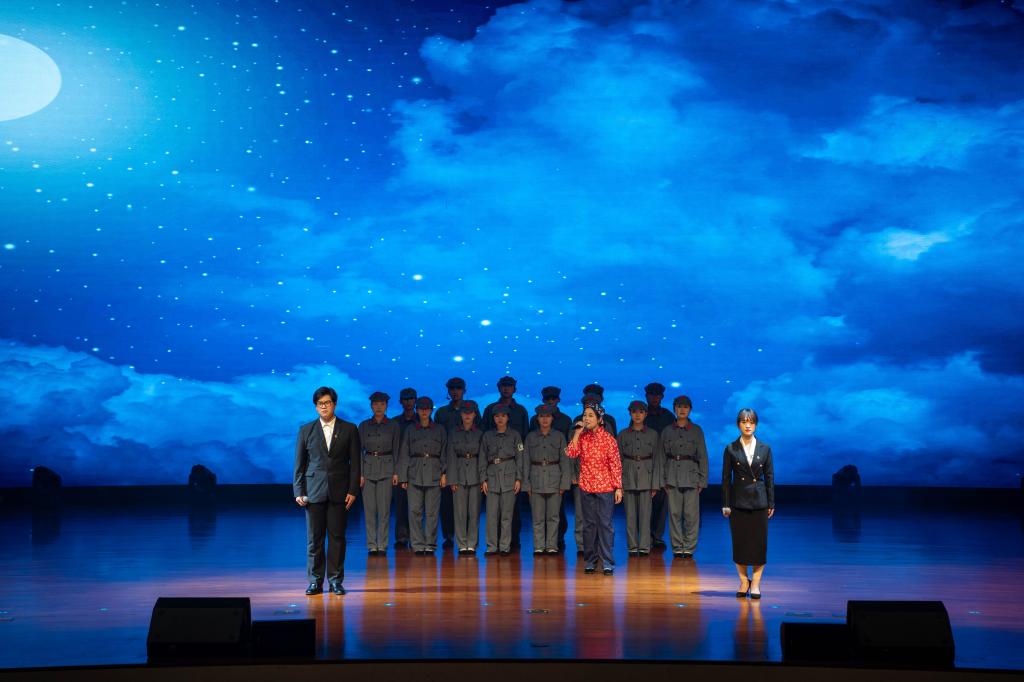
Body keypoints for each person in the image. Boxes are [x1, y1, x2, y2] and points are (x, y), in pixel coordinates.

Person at [293, 386, 360, 595]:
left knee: (337, 538)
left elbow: (355, 463)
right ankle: (315, 581)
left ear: (334, 404)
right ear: (316, 407)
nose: (324, 407)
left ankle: (335, 581)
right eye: (320, 403)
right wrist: (298, 490)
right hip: (313, 491)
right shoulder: (306, 430)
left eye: (327, 403)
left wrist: (353, 490)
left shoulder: (349, 429)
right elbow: (299, 464)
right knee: (315, 539)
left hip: (340, 491)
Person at [722, 408, 775, 599]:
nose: (748, 425)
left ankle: (756, 584)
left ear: (756, 425)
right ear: (738, 424)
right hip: (738, 502)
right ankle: (744, 581)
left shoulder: (765, 448)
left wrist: (771, 503)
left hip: (760, 501)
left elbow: (769, 477)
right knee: (740, 543)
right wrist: (726, 503)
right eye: (744, 422)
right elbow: (726, 479)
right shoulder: (731, 448)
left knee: (759, 544)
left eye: (751, 422)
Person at [566, 400, 622, 575]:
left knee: (605, 525)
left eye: (591, 415)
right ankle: (590, 560)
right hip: (586, 486)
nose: (586, 418)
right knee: (589, 525)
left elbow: (615, 465)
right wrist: (577, 433)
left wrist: (618, 487)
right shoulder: (582, 437)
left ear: (599, 419)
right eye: (585, 415)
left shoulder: (609, 439)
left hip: (605, 487)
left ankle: (607, 561)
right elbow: (571, 453)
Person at [655, 395, 708, 559]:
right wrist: (662, 480)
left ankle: (689, 547)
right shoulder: (667, 431)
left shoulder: (697, 430)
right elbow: (661, 457)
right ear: (674, 409)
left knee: (691, 515)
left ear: (690, 409)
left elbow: (703, 457)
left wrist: (702, 480)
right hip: (672, 476)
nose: (682, 410)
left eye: (685, 407)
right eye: (679, 406)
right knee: (675, 514)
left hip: (691, 476)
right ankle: (678, 547)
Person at [396, 396, 447, 555]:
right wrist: (403, 477)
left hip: (434, 472)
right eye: (421, 408)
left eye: (427, 408)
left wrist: (444, 473)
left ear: (431, 410)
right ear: (417, 410)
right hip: (414, 473)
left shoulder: (440, 430)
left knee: (432, 512)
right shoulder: (410, 430)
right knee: (414, 511)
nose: (424, 411)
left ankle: (430, 544)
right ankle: (417, 544)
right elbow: (404, 453)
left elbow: (445, 453)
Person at [433, 378, 479, 549]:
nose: (455, 391)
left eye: (458, 388)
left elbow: (478, 434)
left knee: (470, 506)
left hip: (468, 462)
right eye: (452, 388)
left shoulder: (472, 409)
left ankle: (468, 540)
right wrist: (443, 469)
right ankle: (449, 536)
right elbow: (437, 438)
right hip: (447, 461)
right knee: (447, 503)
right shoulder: (441, 413)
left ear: (464, 390)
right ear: (448, 390)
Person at [523, 404, 570, 555]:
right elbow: (525, 461)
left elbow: (565, 461)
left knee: (553, 516)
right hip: (535, 479)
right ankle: (538, 546)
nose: (544, 419)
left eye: (548, 416)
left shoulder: (559, 437)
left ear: (552, 418)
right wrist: (526, 484)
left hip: (554, 480)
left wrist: (564, 484)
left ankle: (551, 546)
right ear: (537, 418)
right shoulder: (530, 437)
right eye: (541, 416)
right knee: (537, 517)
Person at [358, 391, 401, 555]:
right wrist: (360, 473)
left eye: (382, 404)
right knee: (369, 510)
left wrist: (396, 472)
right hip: (368, 468)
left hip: (386, 469)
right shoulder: (363, 426)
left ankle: (382, 544)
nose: (379, 407)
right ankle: (372, 544)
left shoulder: (393, 426)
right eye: (376, 404)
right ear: (371, 406)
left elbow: (397, 450)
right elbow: (358, 451)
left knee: (384, 510)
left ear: (387, 406)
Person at [481, 404, 523, 555]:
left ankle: (505, 546)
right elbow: (482, 458)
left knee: (507, 515)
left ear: (508, 418)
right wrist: (483, 478)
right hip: (492, 477)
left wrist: (519, 478)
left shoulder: (515, 435)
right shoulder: (487, 436)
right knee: (491, 515)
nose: (500, 419)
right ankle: (491, 546)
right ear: (493, 418)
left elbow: (520, 457)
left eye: (503, 416)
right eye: (497, 416)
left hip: (509, 477)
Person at [617, 401, 659, 556]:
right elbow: (617, 460)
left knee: (645, 515)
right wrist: (619, 484)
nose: (637, 415)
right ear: (630, 413)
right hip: (628, 476)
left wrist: (655, 484)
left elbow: (657, 460)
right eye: (634, 411)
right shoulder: (622, 434)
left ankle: (644, 546)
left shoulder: (653, 434)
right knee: (630, 515)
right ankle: (632, 546)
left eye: (641, 412)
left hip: (646, 477)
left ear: (646, 414)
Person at [446, 400, 484, 554]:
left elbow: (483, 457)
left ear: (475, 414)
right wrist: (452, 479)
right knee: (459, 512)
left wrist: (483, 478)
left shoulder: (480, 433)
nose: (467, 415)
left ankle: (472, 543)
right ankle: (462, 543)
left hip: (475, 474)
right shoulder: (453, 433)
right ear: (461, 414)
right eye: (465, 413)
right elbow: (450, 456)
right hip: (459, 473)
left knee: (474, 512)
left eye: (470, 413)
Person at [643, 382, 675, 549]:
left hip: (663, 463)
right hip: (644, 463)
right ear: (646, 396)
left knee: (662, 501)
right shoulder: (640, 413)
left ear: (662, 397)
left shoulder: (668, 416)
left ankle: (657, 536)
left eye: (657, 395)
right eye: (651, 394)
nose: (654, 397)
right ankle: (646, 536)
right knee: (645, 501)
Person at [392, 387, 418, 549]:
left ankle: (416, 538)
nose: (408, 402)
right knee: (401, 505)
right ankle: (402, 537)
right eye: (405, 399)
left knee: (417, 506)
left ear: (415, 401)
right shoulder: (395, 422)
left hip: (418, 468)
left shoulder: (422, 420)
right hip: (400, 468)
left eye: (411, 399)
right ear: (401, 401)